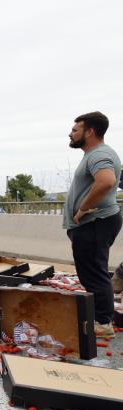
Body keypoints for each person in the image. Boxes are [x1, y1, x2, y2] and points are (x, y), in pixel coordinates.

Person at [63, 111, 122, 337]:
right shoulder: (94, 154)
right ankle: (101, 317)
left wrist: (83, 208)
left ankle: (103, 323)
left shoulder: (99, 154)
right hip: (94, 223)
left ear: (90, 132)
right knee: (92, 272)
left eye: (75, 130)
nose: (70, 134)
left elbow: (106, 181)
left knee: (95, 273)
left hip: (96, 222)